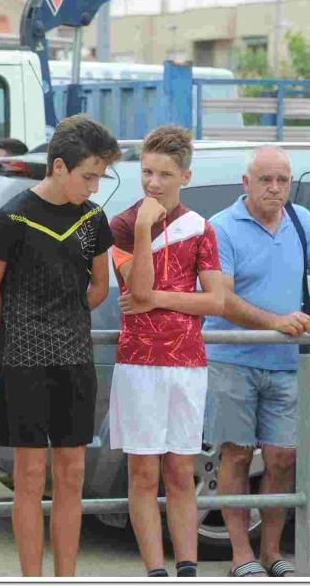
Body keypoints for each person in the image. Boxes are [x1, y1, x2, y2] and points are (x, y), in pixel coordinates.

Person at [202, 145, 310, 578]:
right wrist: (277, 321)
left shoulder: (302, 220)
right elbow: (222, 299)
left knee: (283, 458)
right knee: (237, 457)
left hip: (284, 362)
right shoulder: (220, 227)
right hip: (231, 360)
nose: (275, 188)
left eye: (282, 180)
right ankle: (241, 555)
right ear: (246, 183)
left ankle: (271, 553)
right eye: (266, 180)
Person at [0, 115, 120, 577]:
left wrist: (67, 318)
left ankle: (67, 577)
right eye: (88, 176)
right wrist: (26, 325)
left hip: (76, 360)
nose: (94, 188)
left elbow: (99, 286)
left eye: (99, 177)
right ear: (59, 167)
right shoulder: (12, 216)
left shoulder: (93, 219)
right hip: (24, 362)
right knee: (30, 479)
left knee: (72, 476)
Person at [108, 126, 225, 578]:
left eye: (165, 174)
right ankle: (156, 570)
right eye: (147, 172)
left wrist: (157, 298)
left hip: (188, 365)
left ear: (185, 176)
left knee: (180, 471)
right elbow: (135, 287)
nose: (154, 183)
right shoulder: (122, 224)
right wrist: (142, 226)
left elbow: (214, 301)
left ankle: (188, 568)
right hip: (138, 363)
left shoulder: (201, 228)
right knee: (142, 474)